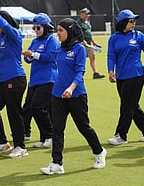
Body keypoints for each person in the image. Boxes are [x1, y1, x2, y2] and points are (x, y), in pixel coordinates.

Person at [40, 18, 106, 175]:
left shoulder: (79, 49)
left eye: (61, 30)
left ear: (69, 32)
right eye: (57, 30)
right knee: (57, 129)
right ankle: (57, 163)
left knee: (83, 127)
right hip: (58, 94)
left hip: (76, 95)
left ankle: (99, 152)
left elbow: (80, 72)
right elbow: (48, 57)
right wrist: (32, 56)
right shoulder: (60, 49)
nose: (58, 33)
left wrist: (71, 88)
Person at [107, 9, 144, 145]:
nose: (134, 24)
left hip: (136, 75)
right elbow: (111, 55)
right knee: (132, 105)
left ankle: (121, 135)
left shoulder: (139, 36)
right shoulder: (114, 38)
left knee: (127, 106)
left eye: (134, 21)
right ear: (123, 23)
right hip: (121, 76)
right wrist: (110, 71)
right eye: (131, 21)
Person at [0, 10, 28, 158]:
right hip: (2, 79)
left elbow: (6, 27)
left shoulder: (14, 34)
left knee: (13, 112)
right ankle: (1, 143)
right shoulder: (0, 36)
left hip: (15, 78)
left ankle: (20, 146)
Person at [21, 13, 58, 148]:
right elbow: (28, 58)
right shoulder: (35, 41)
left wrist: (34, 55)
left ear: (46, 28)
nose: (36, 31)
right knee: (31, 107)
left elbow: (52, 56)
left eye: (38, 28)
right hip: (35, 80)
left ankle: (50, 135)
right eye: (34, 28)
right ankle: (44, 137)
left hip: (48, 79)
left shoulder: (51, 40)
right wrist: (29, 56)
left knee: (38, 107)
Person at [77, 8, 105, 79]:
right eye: (86, 14)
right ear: (81, 14)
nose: (87, 15)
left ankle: (95, 73)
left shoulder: (88, 22)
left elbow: (89, 33)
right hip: (82, 44)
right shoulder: (78, 23)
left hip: (89, 44)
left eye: (88, 14)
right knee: (81, 59)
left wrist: (93, 42)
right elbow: (78, 33)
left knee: (92, 57)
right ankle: (79, 74)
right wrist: (82, 41)